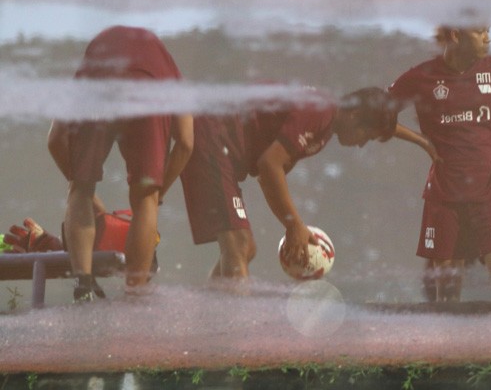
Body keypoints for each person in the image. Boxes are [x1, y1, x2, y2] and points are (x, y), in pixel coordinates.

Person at [388, 19, 491, 302]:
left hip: (490, 191)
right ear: (455, 34)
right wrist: (422, 141)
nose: (488, 38)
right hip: (445, 194)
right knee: (446, 287)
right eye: (480, 32)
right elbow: (377, 114)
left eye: (489, 31)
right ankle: (450, 346)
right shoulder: (422, 77)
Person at [180, 86, 397, 284]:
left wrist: (294, 227)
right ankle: (234, 320)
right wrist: (294, 225)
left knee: (246, 249)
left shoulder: (326, 123)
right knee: (239, 245)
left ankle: (212, 314)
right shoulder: (320, 111)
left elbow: (268, 175)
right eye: (366, 136)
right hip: (214, 139)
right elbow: (269, 165)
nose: (361, 144)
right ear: (355, 115)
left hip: (220, 146)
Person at [48, 26, 194, 301]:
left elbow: (54, 140)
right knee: (145, 199)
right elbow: (186, 142)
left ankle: (83, 284)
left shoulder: (90, 67)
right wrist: (157, 193)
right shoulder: (171, 76)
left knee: (81, 188)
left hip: (98, 84)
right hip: (146, 88)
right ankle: (135, 295)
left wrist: (79, 182)